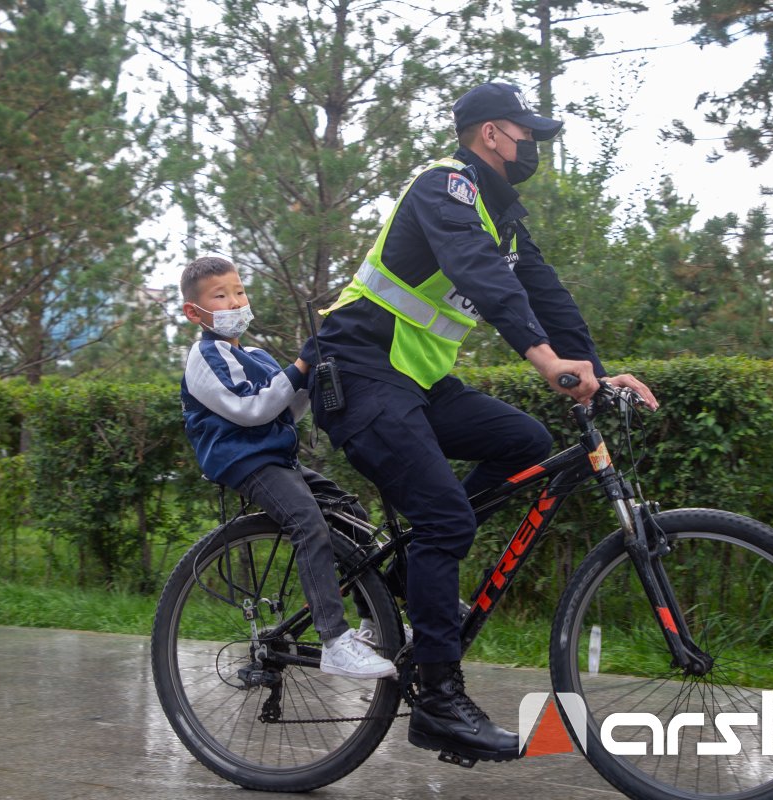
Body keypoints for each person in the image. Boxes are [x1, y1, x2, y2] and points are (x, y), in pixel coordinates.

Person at [301, 82, 658, 760]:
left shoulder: (505, 218)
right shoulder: (446, 187)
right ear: (492, 133)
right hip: (358, 371)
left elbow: (546, 296)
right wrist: (544, 361)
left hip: (416, 382)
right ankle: (438, 701)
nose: (533, 147)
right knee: (446, 519)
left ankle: (417, 575)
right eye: (527, 134)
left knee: (524, 441)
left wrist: (595, 374)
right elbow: (479, 272)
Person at [179, 255, 396, 680]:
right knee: (307, 523)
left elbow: (284, 410)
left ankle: (374, 624)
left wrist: (314, 372)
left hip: (277, 458)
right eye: (220, 296)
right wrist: (299, 367)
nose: (235, 302)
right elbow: (252, 409)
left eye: (239, 292)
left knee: (351, 514)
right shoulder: (204, 357)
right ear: (194, 311)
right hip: (244, 460)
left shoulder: (256, 355)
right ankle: (334, 640)